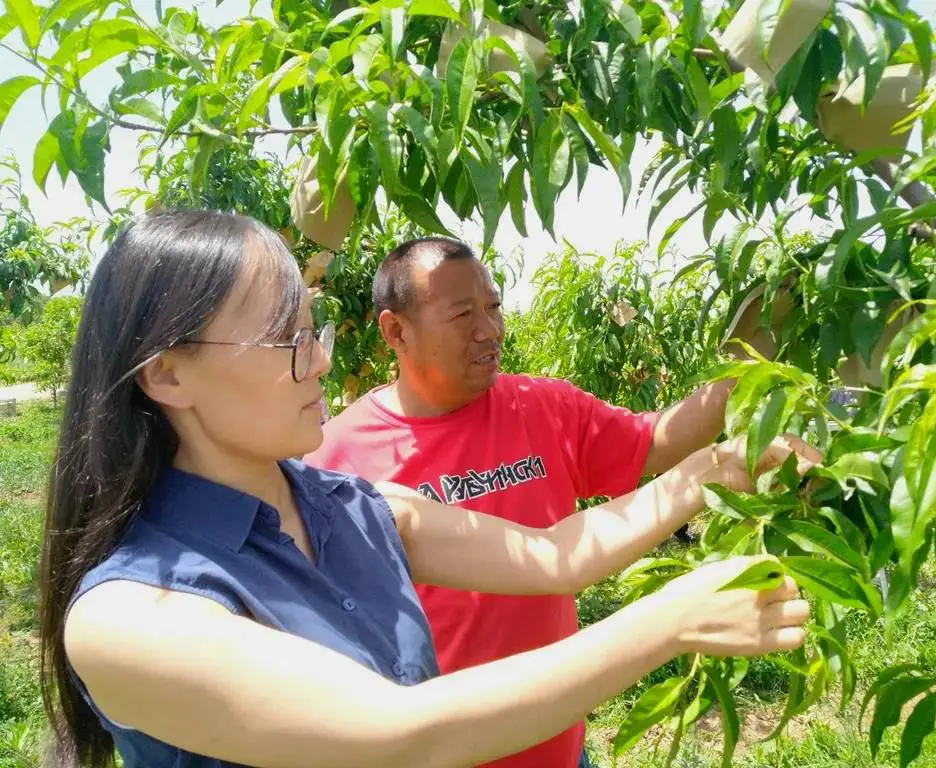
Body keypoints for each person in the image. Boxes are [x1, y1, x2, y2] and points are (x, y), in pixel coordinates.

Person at [40, 210, 818, 768]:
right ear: (168, 372)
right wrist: (671, 620)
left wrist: (716, 468)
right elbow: (402, 734)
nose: (316, 363)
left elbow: (553, 557)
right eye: (286, 338)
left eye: (316, 331)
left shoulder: (352, 508)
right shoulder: (131, 616)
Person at [305, 237, 772, 767]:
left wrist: (751, 361)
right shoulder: (334, 460)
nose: (489, 330)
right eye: (462, 314)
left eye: (493, 307)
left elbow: (658, 441)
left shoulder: (541, 407)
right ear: (396, 331)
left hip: (557, 746)